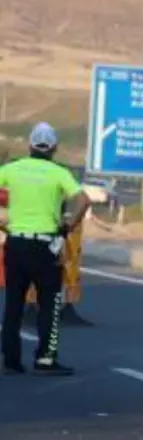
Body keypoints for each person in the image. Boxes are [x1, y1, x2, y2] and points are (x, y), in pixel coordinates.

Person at [0, 122, 89, 376]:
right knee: (49, 303)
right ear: (54, 148)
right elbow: (83, 199)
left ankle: (11, 360)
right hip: (46, 247)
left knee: (14, 304)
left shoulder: (12, 168)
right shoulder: (58, 173)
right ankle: (45, 359)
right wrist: (69, 225)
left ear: (30, 145)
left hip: (17, 243)